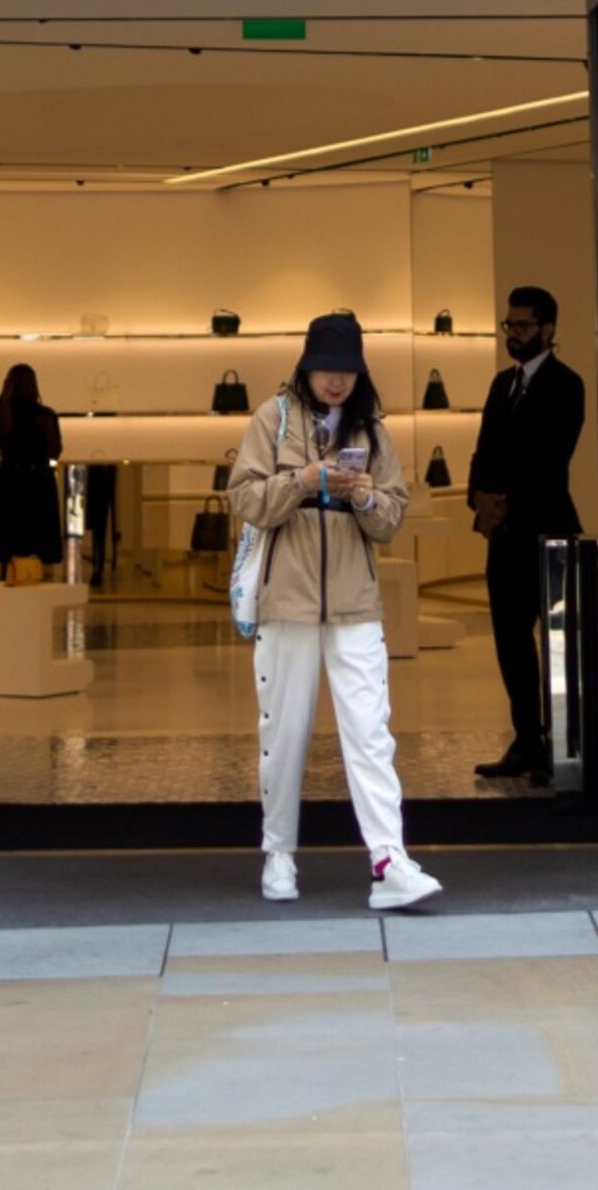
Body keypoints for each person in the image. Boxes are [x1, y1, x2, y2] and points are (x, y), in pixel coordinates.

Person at [228, 313, 442, 912]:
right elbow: (242, 498)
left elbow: (394, 517)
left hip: (355, 605)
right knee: (284, 734)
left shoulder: (372, 430)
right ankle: (279, 854)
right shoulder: (271, 421)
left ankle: (388, 861)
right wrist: (302, 480)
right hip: (287, 602)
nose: (337, 382)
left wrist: (367, 494)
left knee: (371, 735)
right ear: (306, 365)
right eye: (327, 369)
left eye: (348, 371)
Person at [466, 284, 585, 786]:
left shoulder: (566, 384)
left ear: (549, 330)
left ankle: (562, 746)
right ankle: (527, 742)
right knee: (510, 642)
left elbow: (550, 457)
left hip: (548, 531)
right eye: (509, 325)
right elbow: (482, 448)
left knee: (556, 646)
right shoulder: (501, 384)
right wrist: (478, 497)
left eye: (523, 326)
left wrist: (504, 496)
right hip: (506, 536)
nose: (513, 334)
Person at [0, 362, 66, 571]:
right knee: (37, 547)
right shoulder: (45, 416)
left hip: (9, 482)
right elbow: (55, 451)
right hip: (39, 483)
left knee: (8, 549)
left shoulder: (1, 414)